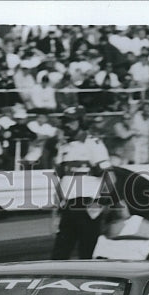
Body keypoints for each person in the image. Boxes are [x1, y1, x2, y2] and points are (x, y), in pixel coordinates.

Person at [50, 105, 112, 259]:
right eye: (65, 121)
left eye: (70, 121)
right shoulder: (63, 147)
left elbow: (109, 175)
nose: (66, 125)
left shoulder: (94, 143)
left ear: (81, 122)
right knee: (59, 254)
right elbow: (59, 179)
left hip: (88, 205)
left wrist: (100, 203)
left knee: (87, 252)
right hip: (68, 206)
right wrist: (55, 211)